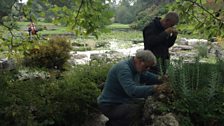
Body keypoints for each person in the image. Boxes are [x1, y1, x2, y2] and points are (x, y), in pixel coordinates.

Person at [97, 50, 169, 126]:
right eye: (146, 66)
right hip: (110, 105)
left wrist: (161, 78)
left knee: (140, 105)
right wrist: (155, 88)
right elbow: (132, 91)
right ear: (140, 61)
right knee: (136, 110)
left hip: (119, 101)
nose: (148, 69)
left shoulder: (136, 68)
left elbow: (147, 76)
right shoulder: (124, 69)